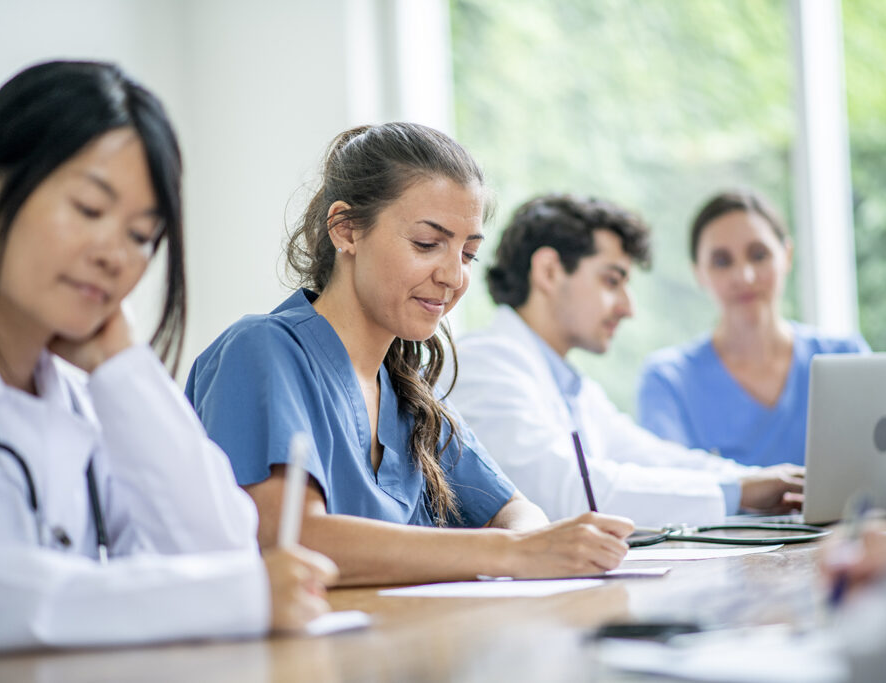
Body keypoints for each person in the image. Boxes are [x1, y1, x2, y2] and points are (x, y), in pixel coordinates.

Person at [0, 61, 336, 658]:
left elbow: (219, 555)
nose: (114, 254)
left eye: (141, 235)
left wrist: (122, 368)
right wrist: (225, 597)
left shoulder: (85, 396)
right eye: (88, 208)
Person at [186, 123, 633, 586]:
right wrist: (510, 551)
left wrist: (529, 544)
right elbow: (292, 540)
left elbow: (519, 513)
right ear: (346, 230)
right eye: (426, 244)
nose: (454, 277)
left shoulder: (407, 392)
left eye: (467, 254)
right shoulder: (261, 352)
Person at [447, 194, 803, 527]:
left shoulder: (571, 386)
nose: (628, 307)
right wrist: (739, 491)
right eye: (611, 280)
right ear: (549, 271)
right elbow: (567, 493)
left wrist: (755, 480)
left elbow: (651, 457)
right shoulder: (482, 365)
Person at [636, 190, 870, 466]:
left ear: (787, 255)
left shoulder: (846, 358)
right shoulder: (668, 380)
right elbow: (671, 487)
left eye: (759, 255)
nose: (744, 276)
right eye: (722, 261)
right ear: (698, 272)